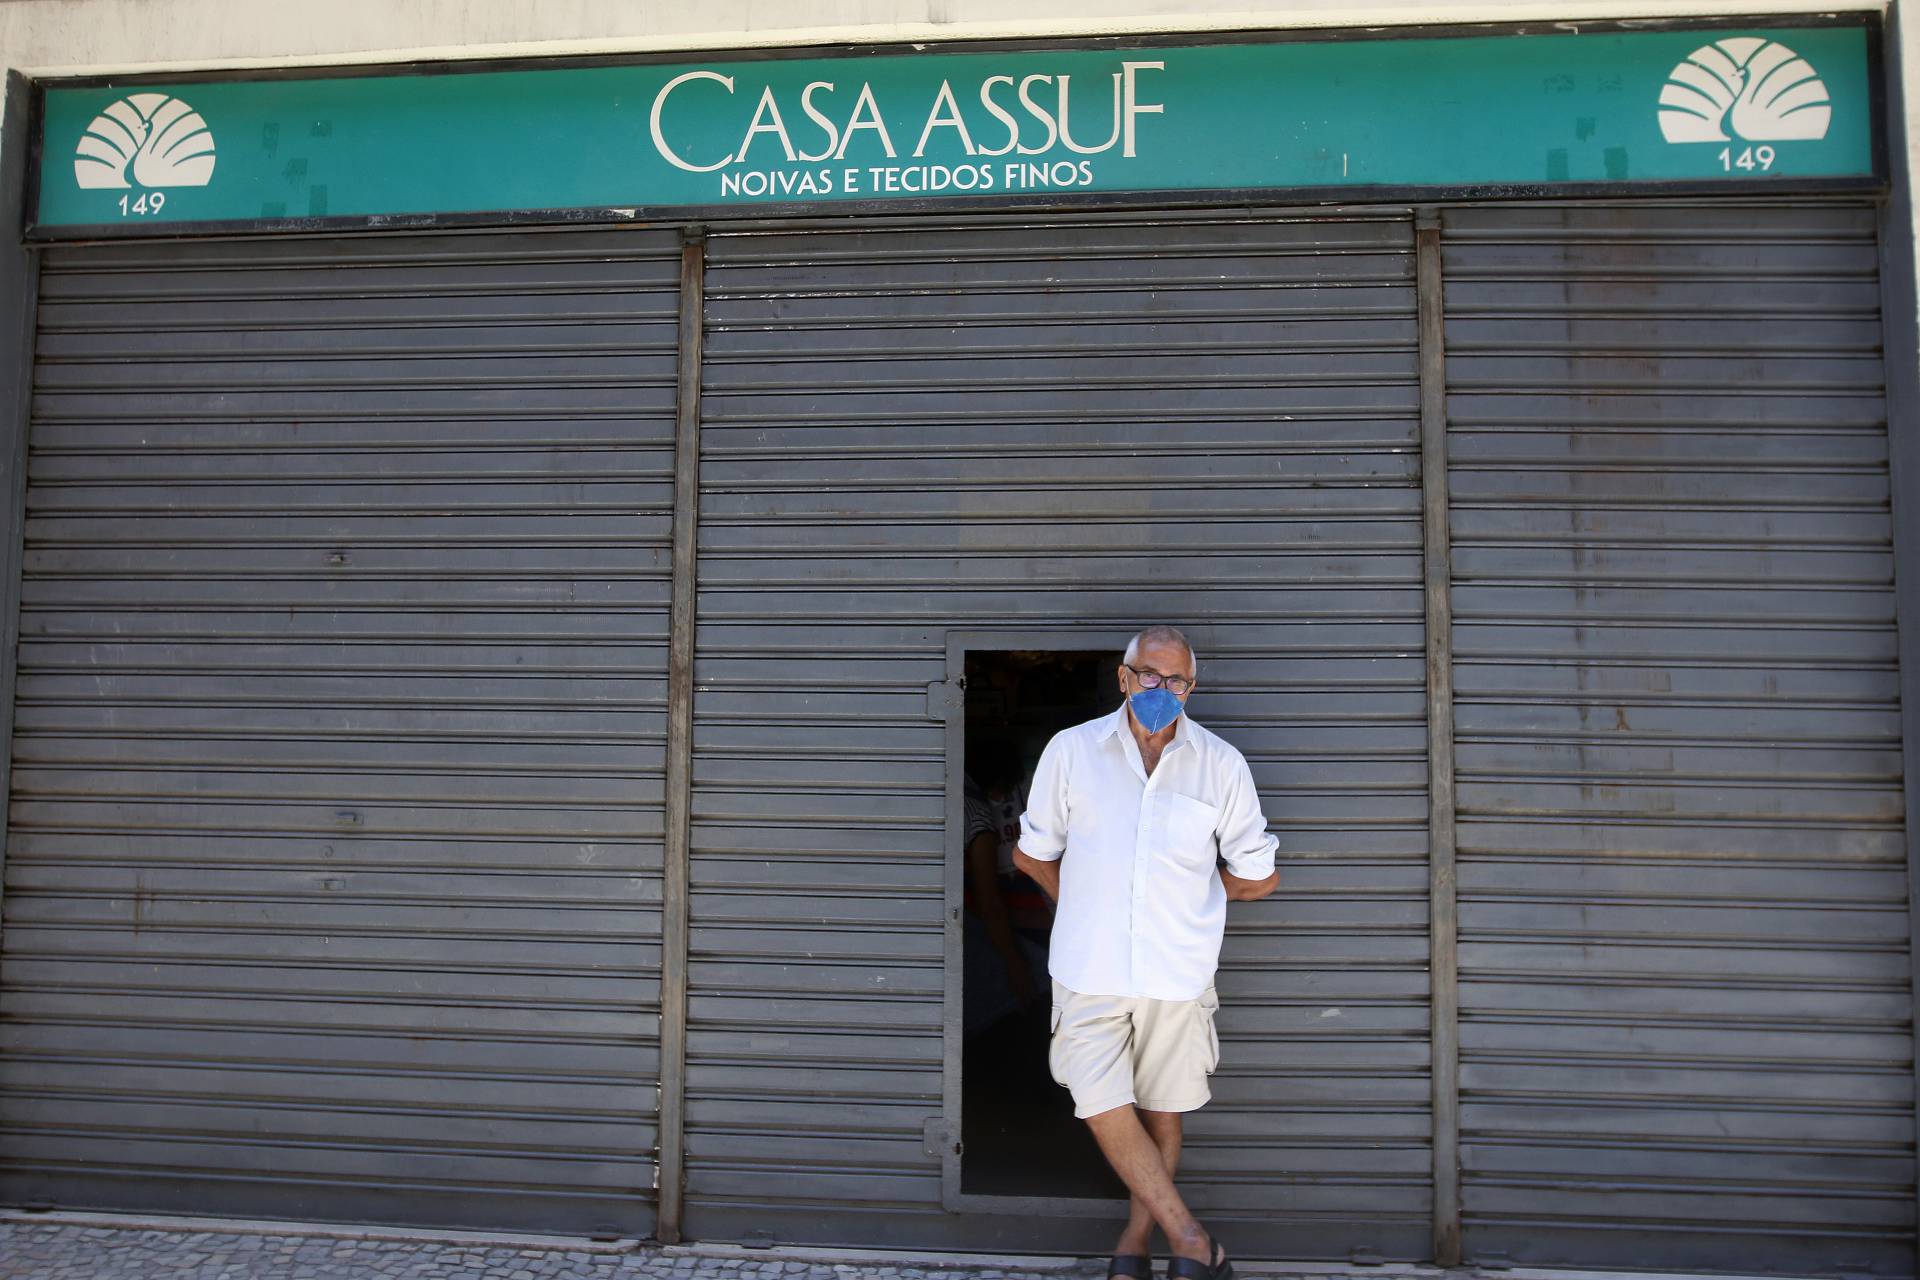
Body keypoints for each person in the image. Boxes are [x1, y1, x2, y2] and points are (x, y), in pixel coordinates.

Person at [1012, 624, 1279, 1280]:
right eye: (1150, 676)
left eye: (1176, 680)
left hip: (1176, 971)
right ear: (1124, 677)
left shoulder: (1221, 765)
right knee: (1098, 1099)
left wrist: (1187, 900)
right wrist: (1083, 905)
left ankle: (1135, 1245)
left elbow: (1258, 875)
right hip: (1089, 968)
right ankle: (1191, 1239)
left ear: (1192, 687)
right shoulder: (1072, 751)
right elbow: (1032, 854)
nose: (1162, 689)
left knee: (1162, 1110)